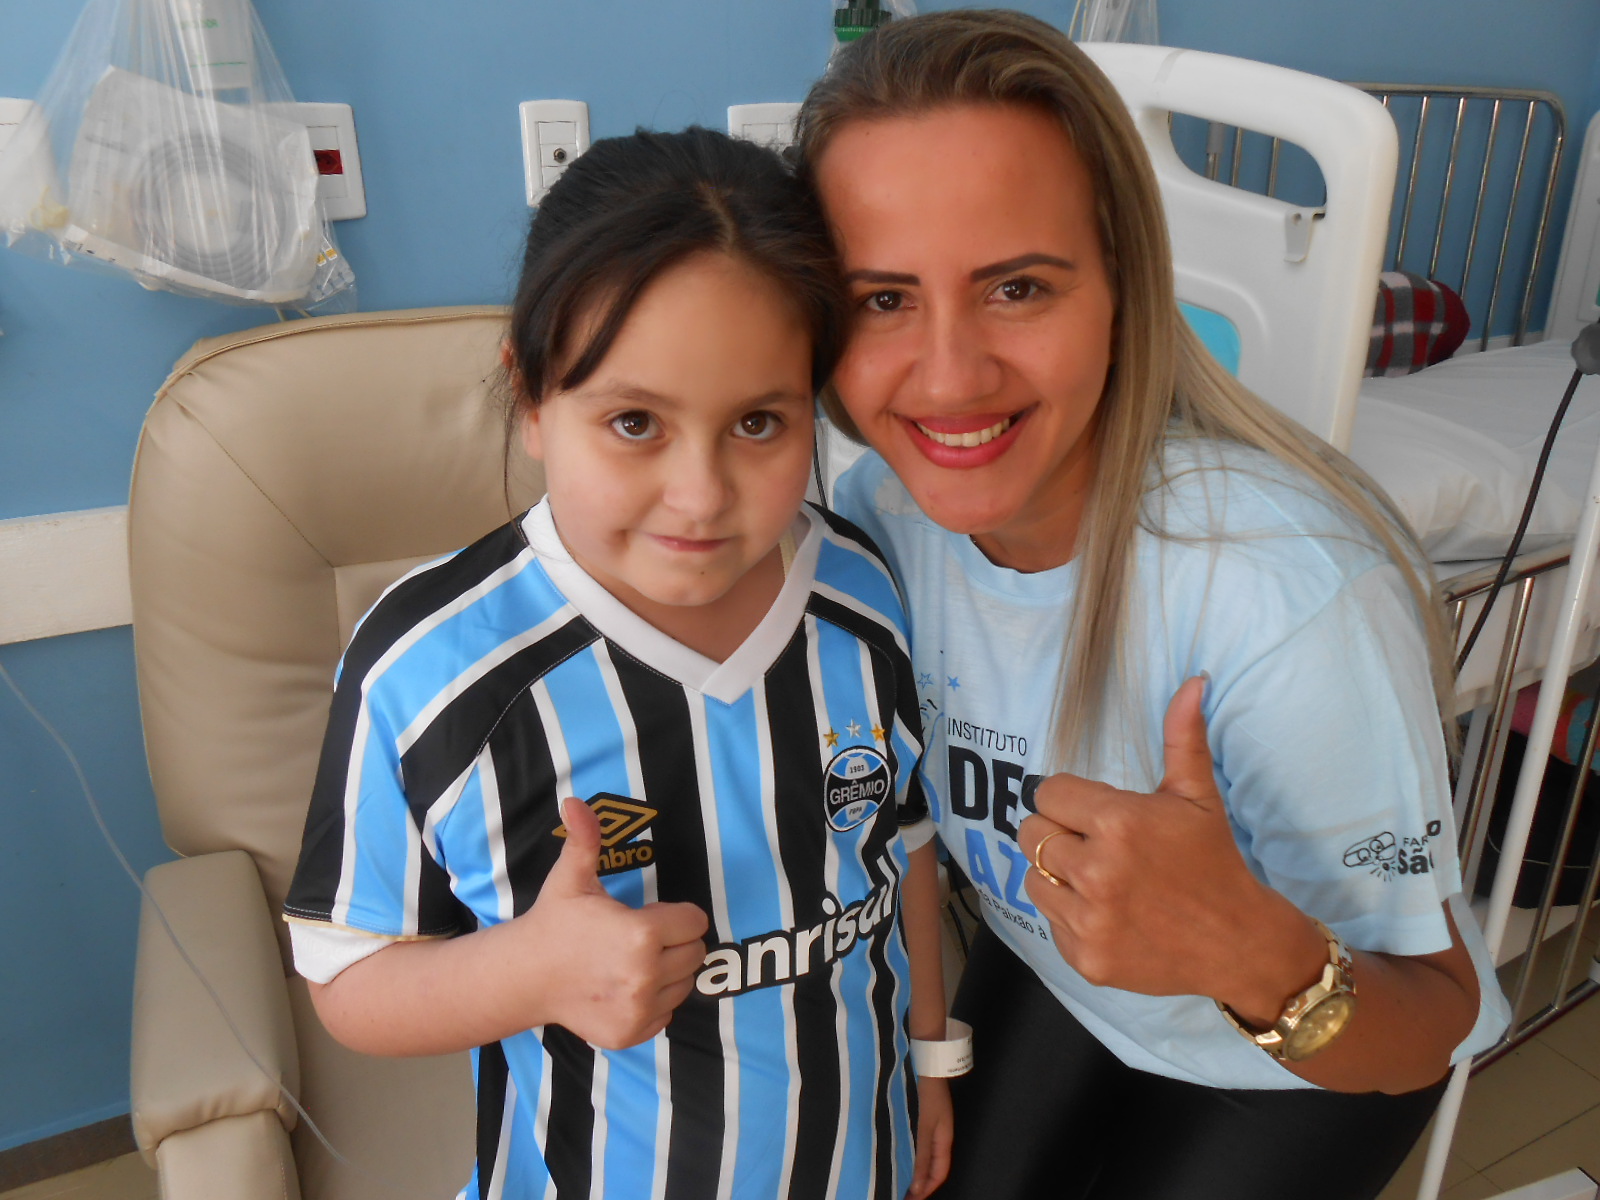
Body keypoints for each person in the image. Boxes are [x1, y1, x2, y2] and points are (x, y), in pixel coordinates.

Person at [795, 11, 1511, 1199]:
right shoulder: (881, 514)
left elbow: (1430, 1023)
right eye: (880, 299)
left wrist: (1251, 951)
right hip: (1065, 970)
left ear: (1123, 290)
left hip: (1294, 1058)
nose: (948, 375)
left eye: (1016, 286)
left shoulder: (1282, 605)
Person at [282, 126, 956, 1200]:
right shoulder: (428, 673)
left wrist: (931, 1055)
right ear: (534, 397)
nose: (699, 495)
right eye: (634, 421)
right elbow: (346, 976)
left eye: (758, 423)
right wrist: (530, 971)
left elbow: (902, 841)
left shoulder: (863, 595)